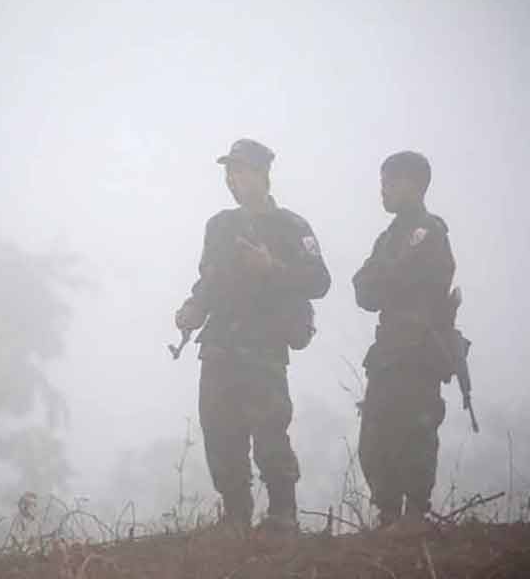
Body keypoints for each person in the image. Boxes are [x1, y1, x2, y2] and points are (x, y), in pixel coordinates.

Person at [174, 138, 330, 534]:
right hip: (220, 342)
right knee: (219, 430)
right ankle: (236, 515)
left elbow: (319, 281)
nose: (232, 179)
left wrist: (272, 267)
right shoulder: (220, 225)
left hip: (264, 343)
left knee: (269, 429)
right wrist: (193, 308)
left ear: (263, 174)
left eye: (240, 171)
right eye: (229, 172)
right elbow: (208, 280)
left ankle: (282, 515)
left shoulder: (292, 227)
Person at [352, 151, 457, 527]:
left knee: (414, 431)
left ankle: (413, 515)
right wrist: (390, 277)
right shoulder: (389, 238)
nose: (383, 191)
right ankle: (388, 514)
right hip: (388, 351)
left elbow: (416, 280)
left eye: (391, 183)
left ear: (415, 184)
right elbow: (363, 289)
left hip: (419, 349)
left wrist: (389, 279)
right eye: (382, 183)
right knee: (376, 437)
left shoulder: (429, 232)